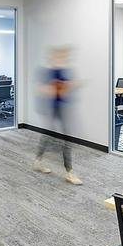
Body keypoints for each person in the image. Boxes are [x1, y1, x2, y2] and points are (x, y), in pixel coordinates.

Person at [33, 46, 83, 185]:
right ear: (53, 57)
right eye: (60, 56)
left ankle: (38, 161)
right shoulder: (48, 72)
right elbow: (42, 89)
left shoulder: (63, 71)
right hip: (51, 108)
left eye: (64, 56)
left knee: (49, 135)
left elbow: (64, 88)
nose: (63, 58)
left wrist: (71, 85)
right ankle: (69, 172)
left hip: (60, 108)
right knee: (64, 138)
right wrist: (54, 89)